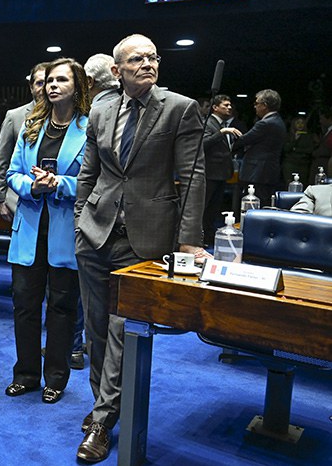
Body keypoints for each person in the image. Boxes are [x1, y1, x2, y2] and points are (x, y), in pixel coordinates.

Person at [74, 34, 206, 462]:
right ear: (117, 71)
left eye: (153, 57)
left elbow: (193, 178)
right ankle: (105, 405)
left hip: (146, 235)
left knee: (120, 330)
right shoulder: (101, 107)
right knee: (95, 329)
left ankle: (102, 419)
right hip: (95, 231)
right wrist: (80, 217)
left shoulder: (180, 108)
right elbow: (89, 171)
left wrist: (189, 241)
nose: (148, 63)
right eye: (137, 59)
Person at [5, 58, 90, 404]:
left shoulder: (89, 128)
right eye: (49, 80)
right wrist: (31, 187)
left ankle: (55, 377)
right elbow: (12, 174)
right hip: (28, 225)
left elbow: (92, 180)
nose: (52, 85)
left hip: (64, 228)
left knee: (61, 307)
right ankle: (25, 374)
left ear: (77, 86)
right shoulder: (31, 125)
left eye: (61, 80)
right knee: (24, 305)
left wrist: (59, 184)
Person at [0, 63, 47, 224]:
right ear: (31, 87)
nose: (44, 88)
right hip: (17, 201)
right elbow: (2, 161)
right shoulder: (15, 116)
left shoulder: (67, 117)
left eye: (49, 82)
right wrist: (1, 200)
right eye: (39, 83)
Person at [231, 89, 286, 208]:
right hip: (266, 172)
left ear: (265, 105)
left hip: (258, 173)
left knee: (254, 207)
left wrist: (226, 134)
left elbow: (243, 140)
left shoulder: (265, 123)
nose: (254, 106)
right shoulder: (278, 121)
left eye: (257, 103)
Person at [202, 95, 242, 244]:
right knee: (205, 207)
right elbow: (203, 143)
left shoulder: (221, 124)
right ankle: (201, 236)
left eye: (230, 105)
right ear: (215, 107)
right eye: (225, 105)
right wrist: (222, 133)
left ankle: (209, 235)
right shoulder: (208, 123)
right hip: (210, 172)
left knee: (214, 208)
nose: (229, 107)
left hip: (221, 173)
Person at [281, 116, 314, 186]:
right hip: (290, 165)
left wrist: (295, 149)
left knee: (302, 185)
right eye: (298, 123)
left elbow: (309, 150)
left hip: (303, 165)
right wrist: (294, 140)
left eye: (302, 123)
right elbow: (286, 149)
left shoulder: (308, 136)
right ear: (294, 124)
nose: (300, 125)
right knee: (289, 185)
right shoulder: (288, 135)